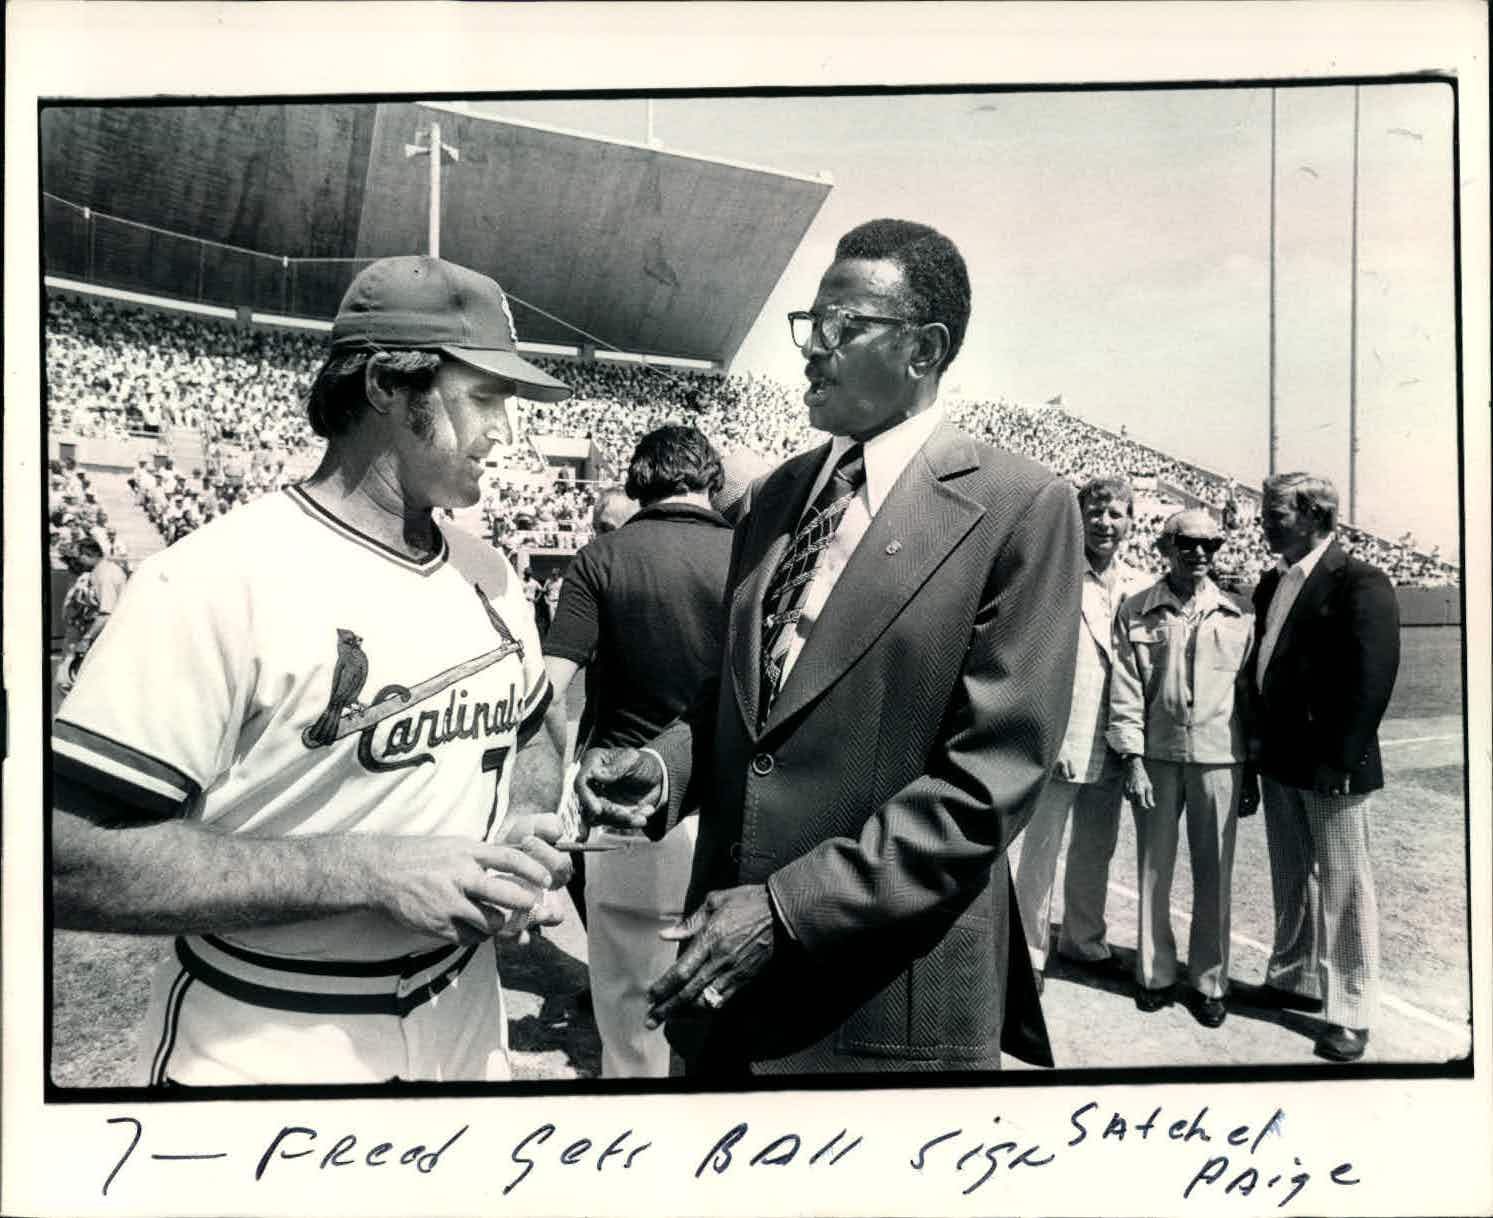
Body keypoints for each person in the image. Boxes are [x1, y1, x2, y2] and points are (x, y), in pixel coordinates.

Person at [50, 255, 576, 1086]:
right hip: (266, 1026)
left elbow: (532, 729)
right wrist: (365, 871)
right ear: (386, 389)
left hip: (467, 1016)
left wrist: (521, 819)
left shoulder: (493, 571)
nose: (505, 432)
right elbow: (65, 858)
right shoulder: (213, 578)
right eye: (483, 397)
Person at [576, 218, 1082, 1076]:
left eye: (844, 326)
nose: (813, 350)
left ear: (923, 348)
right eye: (811, 324)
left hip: (882, 1000)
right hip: (723, 994)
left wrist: (784, 909)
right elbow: (749, 701)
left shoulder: (1019, 506)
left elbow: (988, 782)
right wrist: (664, 768)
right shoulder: (775, 496)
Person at [544, 425, 735, 1076]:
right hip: (731, 801)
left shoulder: (601, 558)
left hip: (621, 795)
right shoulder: (756, 556)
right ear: (710, 480)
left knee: (629, 1014)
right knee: (716, 997)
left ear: (638, 482)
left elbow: (548, 690)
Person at [1245, 472, 1399, 1062]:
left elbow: (1372, 678)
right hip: (1282, 759)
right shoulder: (1273, 582)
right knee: (1293, 876)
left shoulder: (1359, 580)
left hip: (1331, 765)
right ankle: (1294, 979)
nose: (1263, 522)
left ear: (1312, 515)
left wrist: (1342, 757)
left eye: (1274, 513)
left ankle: (1353, 1012)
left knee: (1345, 884)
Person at [1108, 509, 1256, 1028]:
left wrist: (1250, 770)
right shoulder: (1136, 611)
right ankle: (1154, 975)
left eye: (1210, 547)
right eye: (1188, 545)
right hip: (1157, 759)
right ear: (1165, 549)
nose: (1200, 555)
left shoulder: (1239, 616)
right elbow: (1125, 692)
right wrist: (1132, 760)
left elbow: (1246, 697)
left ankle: (1210, 982)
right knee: (1154, 868)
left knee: (1214, 872)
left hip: (1220, 759)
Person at [1013, 476, 1149, 990]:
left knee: (1097, 847)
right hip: (1062, 734)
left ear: (1131, 521)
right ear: (1079, 516)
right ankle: (1028, 952)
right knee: (1042, 850)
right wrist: (1046, 732)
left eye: (1116, 514)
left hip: (1117, 737)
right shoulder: (1055, 575)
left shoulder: (1140, 585)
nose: (1105, 523)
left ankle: (1083, 941)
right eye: (1095, 513)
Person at [54, 536, 129, 700]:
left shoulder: (105, 574)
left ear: (87, 554)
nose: (77, 561)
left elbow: (106, 613)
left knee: (68, 681)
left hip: (100, 635)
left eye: (79, 556)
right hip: (99, 633)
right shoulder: (104, 570)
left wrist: (86, 639)